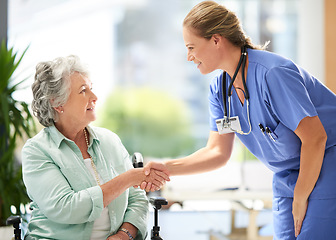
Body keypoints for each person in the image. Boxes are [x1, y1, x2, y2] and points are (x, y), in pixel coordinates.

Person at [141, 1, 336, 239]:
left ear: (216, 39)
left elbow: (316, 138)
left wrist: (301, 195)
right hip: (287, 176)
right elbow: (217, 152)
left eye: (191, 47)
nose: (189, 57)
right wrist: (167, 168)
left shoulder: (273, 73)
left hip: (327, 161)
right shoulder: (220, 90)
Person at [22, 55, 169, 240]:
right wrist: (129, 178)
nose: (95, 97)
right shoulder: (37, 151)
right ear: (57, 103)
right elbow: (67, 208)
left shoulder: (110, 141)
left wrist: (124, 235)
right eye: (84, 91)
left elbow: (137, 199)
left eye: (91, 88)